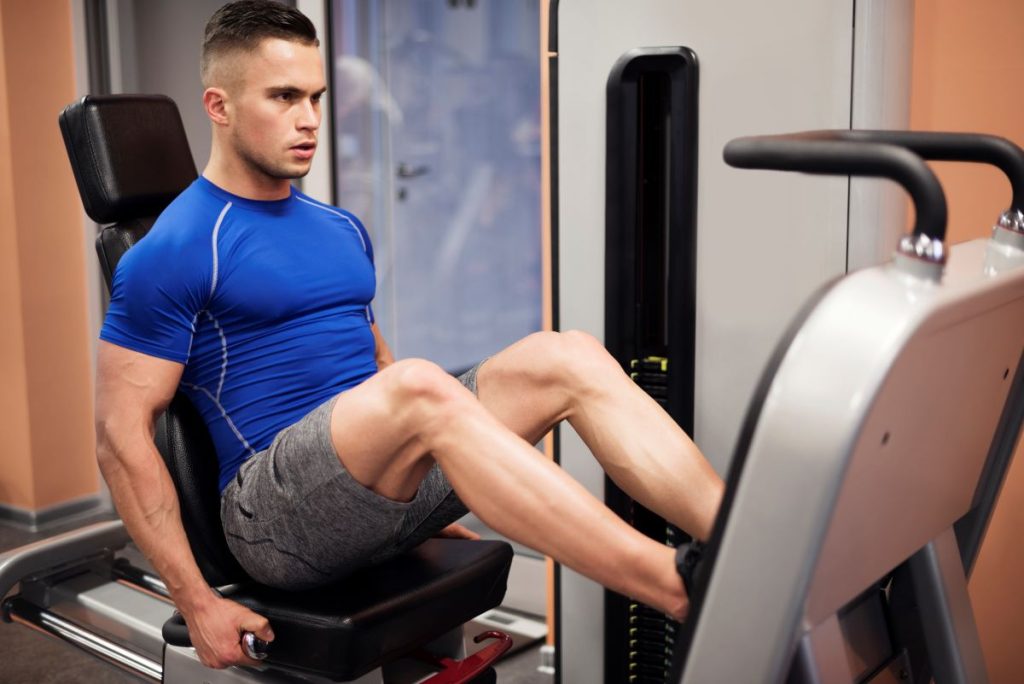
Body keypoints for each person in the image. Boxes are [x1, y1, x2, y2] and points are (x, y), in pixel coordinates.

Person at [94, 0, 724, 670]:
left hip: (361, 487)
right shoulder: (178, 247)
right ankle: (681, 586)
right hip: (272, 520)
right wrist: (196, 600)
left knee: (565, 356)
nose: (309, 119)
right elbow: (120, 440)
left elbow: (374, 363)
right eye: (283, 97)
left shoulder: (337, 228)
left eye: (315, 96)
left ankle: (738, 541)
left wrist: (433, 482)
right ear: (218, 106)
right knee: (421, 385)